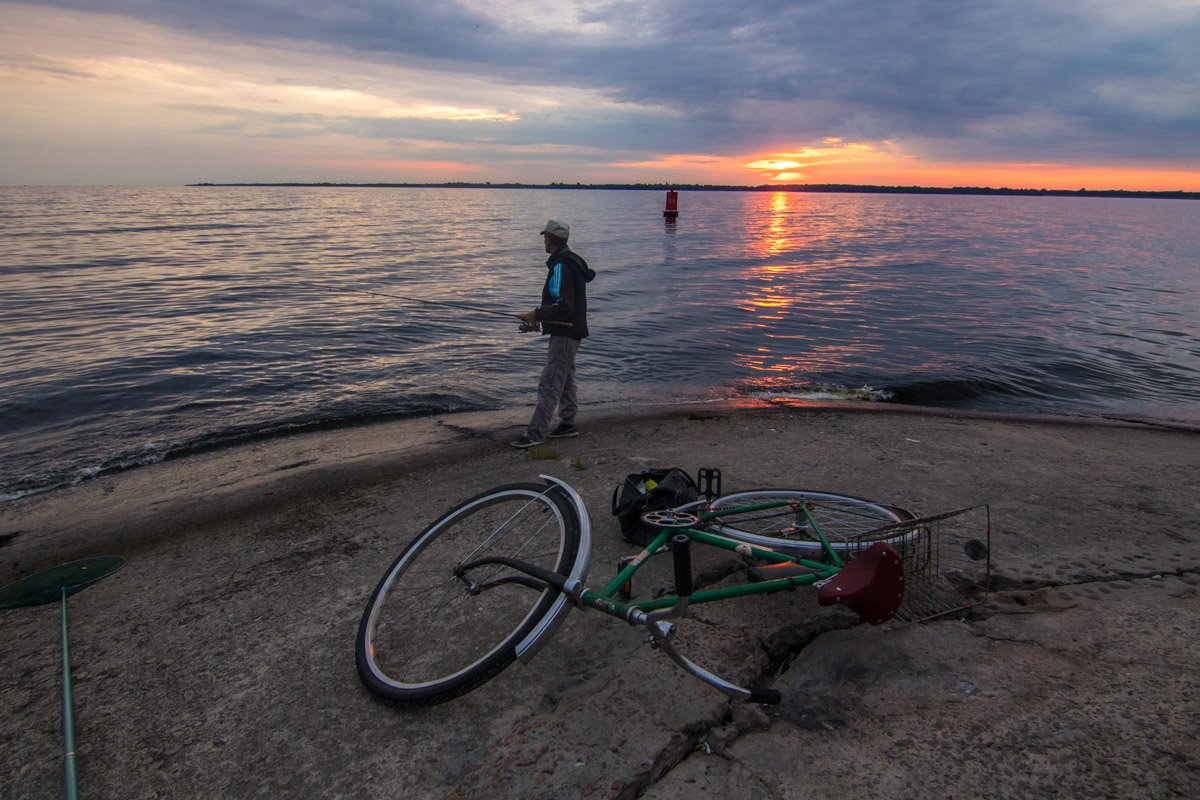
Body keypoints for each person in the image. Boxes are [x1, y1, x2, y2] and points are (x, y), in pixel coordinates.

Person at [510, 219, 596, 448]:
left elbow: (563, 306)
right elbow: (565, 306)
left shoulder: (561, 265)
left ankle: (536, 433)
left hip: (565, 334)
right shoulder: (570, 261)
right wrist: (539, 317)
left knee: (550, 382)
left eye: (545, 237)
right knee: (565, 378)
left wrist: (536, 314)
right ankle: (568, 424)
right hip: (571, 331)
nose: (543, 241)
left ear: (551, 239)